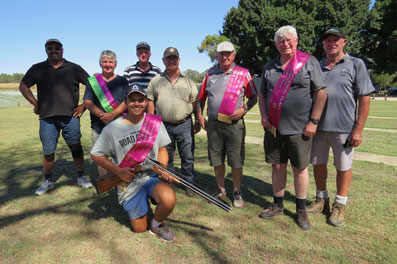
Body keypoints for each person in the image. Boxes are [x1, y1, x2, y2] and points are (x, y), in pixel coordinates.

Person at [258, 26, 327, 230]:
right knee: (278, 166)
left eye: (289, 40)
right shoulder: (269, 66)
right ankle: (278, 205)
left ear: (296, 41)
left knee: (300, 169)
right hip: (274, 128)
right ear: (276, 44)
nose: (285, 44)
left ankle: (301, 209)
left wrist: (313, 121)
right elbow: (262, 95)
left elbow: (321, 93)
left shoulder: (308, 62)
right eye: (281, 41)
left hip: (301, 129)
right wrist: (263, 116)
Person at [91, 84, 177, 242]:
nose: (136, 103)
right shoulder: (112, 128)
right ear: (125, 102)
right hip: (128, 182)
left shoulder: (154, 123)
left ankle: (157, 224)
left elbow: (163, 149)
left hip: (151, 175)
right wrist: (117, 171)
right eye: (132, 100)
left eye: (140, 100)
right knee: (139, 229)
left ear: (146, 102)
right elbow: (96, 155)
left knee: (169, 198)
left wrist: (163, 169)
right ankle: (141, 203)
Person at [307, 27, 374, 227]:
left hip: (344, 128)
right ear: (323, 44)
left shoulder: (355, 64)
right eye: (328, 40)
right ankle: (321, 200)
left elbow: (364, 98)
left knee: (343, 167)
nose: (332, 43)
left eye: (336, 40)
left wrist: (358, 129)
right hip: (318, 128)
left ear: (344, 41)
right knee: (318, 164)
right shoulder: (316, 66)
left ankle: (340, 205)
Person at [19, 38, 92, 195]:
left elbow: (93, 84)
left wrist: (84, 105)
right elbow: (23, 86)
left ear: (62, 50)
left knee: (76, 147)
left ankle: (81, 177)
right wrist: (35, 103)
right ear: (46, 50)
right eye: (50, 48)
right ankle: (48, 180)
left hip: (70, 117)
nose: (53, 50)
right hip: (47, 118)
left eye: (57, 48)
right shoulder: (38, 68)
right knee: (48, 150)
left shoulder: (74, 68)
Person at [197, 41, 258, 208]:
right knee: (216, 158)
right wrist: (199, 115)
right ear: (216, 56)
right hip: (214, 124)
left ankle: (237, 191)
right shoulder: (209, 74)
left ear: (233, 55)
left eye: (228, 53)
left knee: (236, 159)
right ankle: (220, 188)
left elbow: (254, 97)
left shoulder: (244, 73)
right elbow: (200, 98)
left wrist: (244, 109)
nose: (224, 56)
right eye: (221, 54)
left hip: (234, 124)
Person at [147, 47, 199, 197]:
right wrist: (152, 124)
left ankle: (189, 184)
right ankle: (167, 183)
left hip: (185, 124)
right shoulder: (156, 81)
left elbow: (195, 102)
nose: (172, 61)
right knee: (166, 157)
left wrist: (197, 120)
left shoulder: (188, 80)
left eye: (174, 58)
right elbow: (150, 102)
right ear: (163, 60)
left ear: (179, 60)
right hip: (163, 126)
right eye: (168, 58)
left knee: (187, 157)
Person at [83, 50, 129, 176]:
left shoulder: (122, 81)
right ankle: (104, 182)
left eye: (111, 62)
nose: (108, 64)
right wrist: (102, 115)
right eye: (105, 62)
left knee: (120, 155)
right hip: (98, 126)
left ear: (115, 64)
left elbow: (126, 102)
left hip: (119, 126)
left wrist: (112, 115)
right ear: (100, 64)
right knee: (100, 156)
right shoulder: (92, 82)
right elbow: (88, 102)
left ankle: (120, 181)